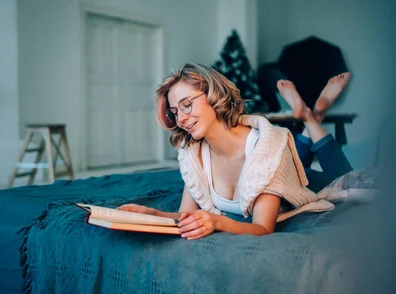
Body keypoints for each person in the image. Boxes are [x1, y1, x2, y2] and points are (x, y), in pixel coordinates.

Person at [118, 63, 345, 240]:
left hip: (312, 184)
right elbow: (185, 216)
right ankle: (312, 117)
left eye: (187, 104)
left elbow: (263, 229)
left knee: (346, 176)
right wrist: (151, 214)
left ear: (213, 94)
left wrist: (217, 222)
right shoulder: (193, 155)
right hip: (282, 171)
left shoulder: (265, 148)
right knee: (295, 157)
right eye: (175, 111)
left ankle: (310, 118)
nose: (181, 118)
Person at [276, 73, 354, 193]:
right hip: (280, 181)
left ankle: (312, 116)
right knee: (350, 184)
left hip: (280, 181)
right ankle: (313, 117)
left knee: (290, 174)